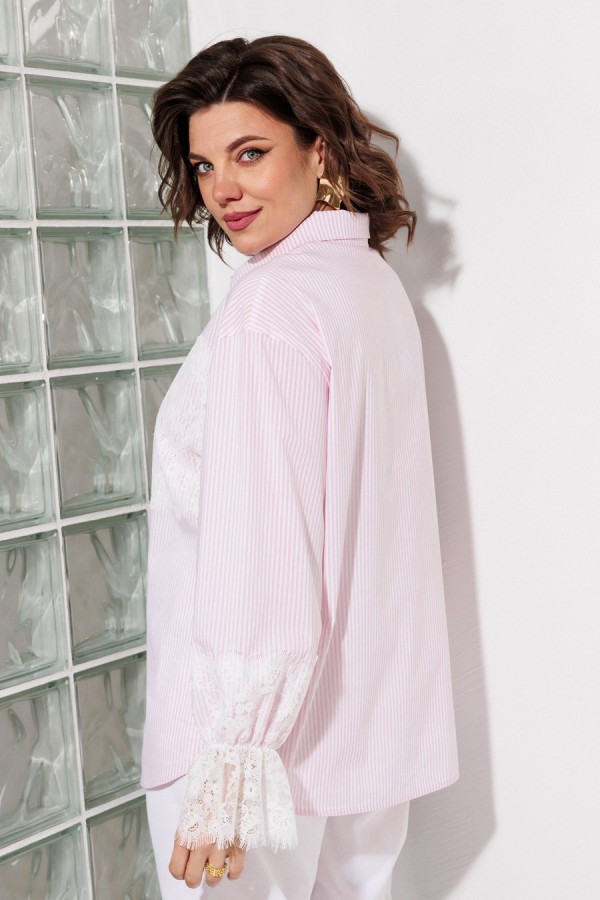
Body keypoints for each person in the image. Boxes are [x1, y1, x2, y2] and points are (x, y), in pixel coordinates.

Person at [141, 34, 458, 900]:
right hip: (364, 740)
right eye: (204, 165)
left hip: (256, 760)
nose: (223, 190)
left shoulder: (270, 312)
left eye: (250, 153)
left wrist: (232, 763)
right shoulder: (368, 287)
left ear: (318, 148)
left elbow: (262, 549)